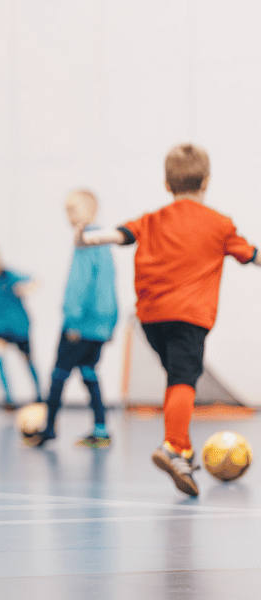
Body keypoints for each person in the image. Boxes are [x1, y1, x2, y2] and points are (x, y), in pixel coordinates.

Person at [75, 143, 261, 496]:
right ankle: (173, 447)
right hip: (189, 317)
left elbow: (117, 235)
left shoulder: (150, 219)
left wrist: (88, 236)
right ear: (206, 181)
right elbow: (251, 256)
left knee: (178, 381)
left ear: (166, 183)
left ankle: (184, 450)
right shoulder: (220, 225)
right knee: (183, 380)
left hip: (151, 320)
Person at [26, 190, 117, 449]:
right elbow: (109, 285)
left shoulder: (85, 240)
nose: (68, 216)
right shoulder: (104, 242)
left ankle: (49, 427)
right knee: (89, 372)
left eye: (73, 210)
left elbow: (81, 284)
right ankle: (101, 428)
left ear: (91, 209)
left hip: (80, 324)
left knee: (58, 374)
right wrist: (109, 324)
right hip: (98, 325)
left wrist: (73, 320)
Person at [0, 245, 42, 409]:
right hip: (0, 326)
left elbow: (36, 280)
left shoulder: (9, 275)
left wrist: (27, 289)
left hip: (19, 325)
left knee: (28, 361)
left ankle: (40, 395)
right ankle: (9, 399)